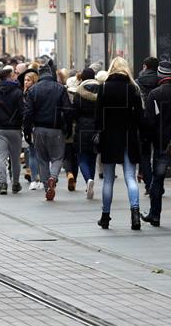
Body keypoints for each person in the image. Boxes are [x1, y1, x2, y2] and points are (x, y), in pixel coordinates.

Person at [95, 57, 143, 230]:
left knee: (108, 179)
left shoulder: (104, 88)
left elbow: (98, 116)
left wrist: (98, 133)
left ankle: (105, 216)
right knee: (130, 177)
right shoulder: (133, 88)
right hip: (129, 137)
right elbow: (140, 117)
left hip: (109, 137)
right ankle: (135, 215)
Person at [141, 60, 171, 226]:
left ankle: (155, 214)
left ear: (159, 76)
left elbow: (149, 121)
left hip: (161, 143)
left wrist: (150, 140)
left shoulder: (154, 95)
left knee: (158, 179)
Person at [22, 60, 71, 201]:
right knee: (58, 157)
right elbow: (67, 110)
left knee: (42, 159)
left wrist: (27, 131)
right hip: (56, 129)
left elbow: (28, 113)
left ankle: (46, 187)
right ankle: (53, 177)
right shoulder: (60, 88)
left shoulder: (33, 90)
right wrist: (67, 128)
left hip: (38, 129)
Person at [0, 68, 24, 195]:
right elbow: (22, 111)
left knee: (1, 157)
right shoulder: (18, 93)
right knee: (15, 159)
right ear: (8, 77)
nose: (15, 77)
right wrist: (19, 122)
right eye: (13, 75)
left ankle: (2, 184)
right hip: (15, 129)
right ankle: (15, 183)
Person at [72, 68, 101, 200]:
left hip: (82, 128)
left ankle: (88, 180)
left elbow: (75, 112)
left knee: (82, 158)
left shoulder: (79, 92)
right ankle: (91, 181)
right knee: (92, 157)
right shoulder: (101, 91)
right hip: (96, 128)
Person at [136, 56, 160, 194]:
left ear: (145, 66)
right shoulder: (160, 81)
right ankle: (158, 184)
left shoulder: (138, 82)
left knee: (144, 154)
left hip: (143, 120)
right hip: (158, 120)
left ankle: (148, 184)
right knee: (158, 152)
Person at [19, 69, 41, 190]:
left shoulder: (29, 94)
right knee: (34, 153)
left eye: (28, 80)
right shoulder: (24, 93)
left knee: (35, 153)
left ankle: (37, 179)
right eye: (25, 80)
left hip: (34, 125)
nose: (26, 82)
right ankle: (35, 178)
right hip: (31, 126)